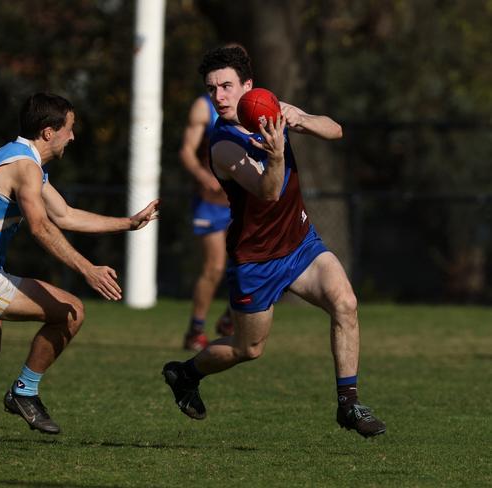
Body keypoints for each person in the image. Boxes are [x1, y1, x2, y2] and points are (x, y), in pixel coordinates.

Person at [0, 92, 159, 447]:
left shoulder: (19, 159)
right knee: (71, 311)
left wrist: (128, 223)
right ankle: (24, 392)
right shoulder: (25, 167)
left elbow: (63, 215)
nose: (73, 136)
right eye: (69, 129)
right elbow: (40, 227)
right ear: (49, 132)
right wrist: (87, 268)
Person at [162, 46, 386, 438]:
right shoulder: (224, 144)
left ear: (248, 86)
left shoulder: (269, 108)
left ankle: (349, 404)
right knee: (248, 349)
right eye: (212, 89)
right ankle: (185, 373)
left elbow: (336, 130)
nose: (219, 97)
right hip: (257, 259)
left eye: (227, 86)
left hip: (300, 243)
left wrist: (302, 118)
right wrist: (278, 154)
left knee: (346, 303)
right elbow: (268, 192)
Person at [179, 92, 233, 351]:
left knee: (254, 263)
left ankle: (230, 317)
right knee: (215, 266)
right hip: (211, 202)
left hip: (241, 203)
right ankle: (195, 330)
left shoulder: (253, 104)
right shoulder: (203, 107)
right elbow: (187, 151)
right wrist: (203, 175)